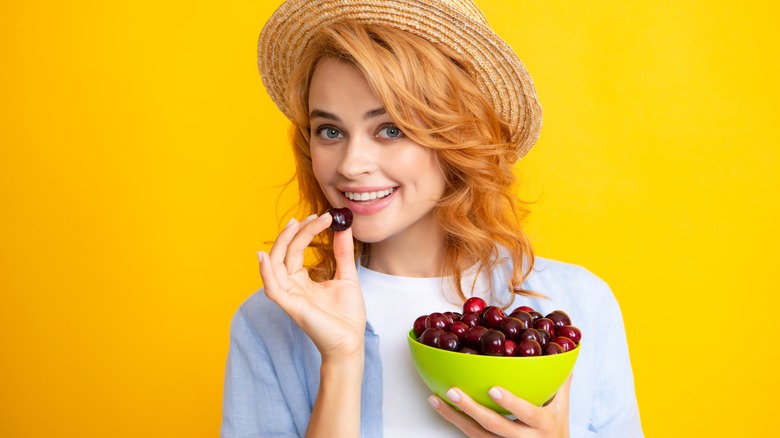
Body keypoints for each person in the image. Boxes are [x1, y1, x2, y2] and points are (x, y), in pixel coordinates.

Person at [221, 0, 643, 436]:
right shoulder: (269, 325)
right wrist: (342, 363)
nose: (351, 164)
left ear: (458, 135)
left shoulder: (579, 306)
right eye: (330, 131)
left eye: (390, 129)